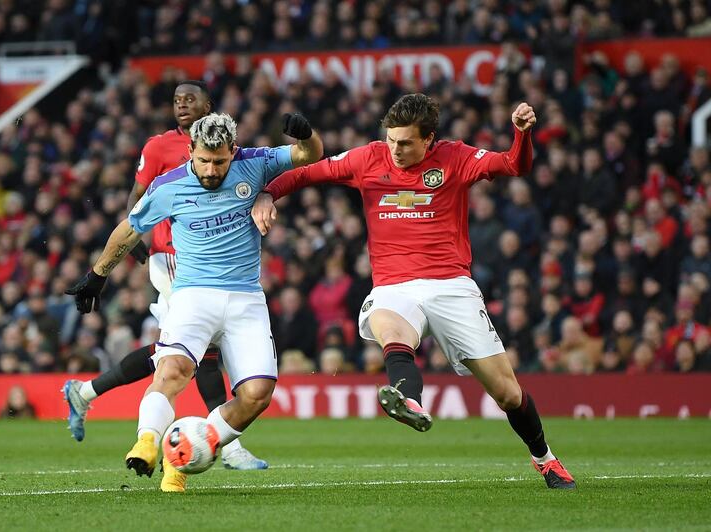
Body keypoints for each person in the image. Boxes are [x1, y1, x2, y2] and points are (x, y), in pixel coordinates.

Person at [251, 93, 575, 490]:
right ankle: (408, 399)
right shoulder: (367, 158)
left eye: (405, 142)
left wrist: (522, 135)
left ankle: (545, 458)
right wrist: (268, 194)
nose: (396, 150)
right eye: (391, 140)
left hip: (451, 286)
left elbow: (513, 164)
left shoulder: (455, 158)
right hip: (394, 285)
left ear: (429, 140)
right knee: (389, 324)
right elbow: (306, 173)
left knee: (508, 394)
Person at [66, 112, 322, 493]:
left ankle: (185, 452)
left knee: (256, 396)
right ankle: (148, 441)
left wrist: (307, 134)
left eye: (220, 161)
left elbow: (309, 155)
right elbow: (128, 229)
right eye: (204, 160)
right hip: (193, 295)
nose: (212, 169)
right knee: (172, 370)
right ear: (191, 151)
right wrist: (98, 275)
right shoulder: (168, 186)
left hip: (245, 299)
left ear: (233, 151)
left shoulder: (254, 163)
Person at [62, 81, 265, 470]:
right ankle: (226, 446)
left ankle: (84, 392)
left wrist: (266, 194)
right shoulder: (158, 147)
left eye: (191, 99)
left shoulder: (226, 148)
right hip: (173, 259)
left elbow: (253, 183)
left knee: (173, 352)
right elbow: (137, 197)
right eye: (176, 100)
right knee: (200, 350)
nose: (182, 105)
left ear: (211, 104)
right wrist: (137, 241)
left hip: (211, 263)